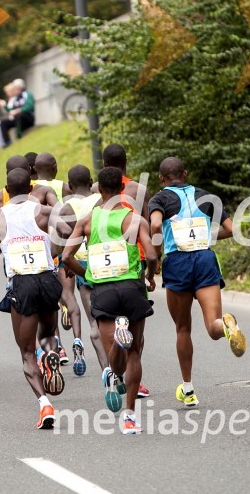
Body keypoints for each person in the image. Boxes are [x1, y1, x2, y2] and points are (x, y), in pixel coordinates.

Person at [63, 167, 158, 434]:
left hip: (103, 290)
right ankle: (130, 416)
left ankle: (117, 339)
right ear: (122, 189)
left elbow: (66, 257)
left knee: (115, 364)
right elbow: (151, 255)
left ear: (99, 190)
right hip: (132, 287)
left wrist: (88, 275)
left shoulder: (87, 221)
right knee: (135, 353)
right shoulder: (134, 219)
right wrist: (150, 276)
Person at [148, 157, 246, 408]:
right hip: (204, 259)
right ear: (185, 173)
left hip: (177, 263)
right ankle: (226, 326)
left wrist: (156, 254)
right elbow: (231, 229)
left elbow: (156, 224)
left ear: (161, 179)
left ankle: (188, 389)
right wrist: (206, 237)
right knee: (213, 326)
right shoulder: (207, 196)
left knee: (183, 329)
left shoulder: (159, 199)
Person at [0, 168, 69, 429]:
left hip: (22, 284)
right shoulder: (44, 211)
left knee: (27, 352)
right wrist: (52, 249)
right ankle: (51, 354)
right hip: (48, 280)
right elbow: (67, 231)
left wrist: (1, 247)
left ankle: (44, 404)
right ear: (31, 189)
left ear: (7, 191)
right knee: (48, 334)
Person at [97, 143, 153, 398]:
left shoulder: (98, 191)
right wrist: (154, 264)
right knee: (135, 320)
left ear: (104, 164)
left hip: (105, 262)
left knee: (110, 319)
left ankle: (116, 372)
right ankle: (134, 379)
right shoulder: (139, 189)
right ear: (126, 162)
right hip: (135, 259)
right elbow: (149, 225)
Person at [58, 165, 106, 376]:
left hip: (82, 265)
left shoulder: (66, 209)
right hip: (104, 260)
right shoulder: (102, 200)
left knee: (94, 323)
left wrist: (67, 265)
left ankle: (107, 371)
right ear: (92, 182)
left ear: (69, 186)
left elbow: (64, 243)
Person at [32, 152, 75, 365]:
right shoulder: (63, 187)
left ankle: (57, 346)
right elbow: (68, 214)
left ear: (34, 170)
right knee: (64, 293)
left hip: (39, 249)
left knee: (46, 304)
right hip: (59, 245)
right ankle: (66, 307)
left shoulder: (32, 189)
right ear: (55, 167)